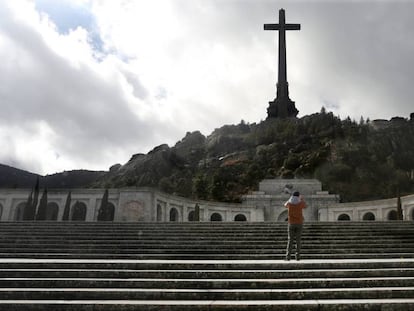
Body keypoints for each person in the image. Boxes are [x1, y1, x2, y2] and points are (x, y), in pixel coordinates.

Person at [285, 191, 306, 261]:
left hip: (291, 223)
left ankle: (288, 256)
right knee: (298, 240)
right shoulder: (300, 203)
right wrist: (301, 199)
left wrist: (290, 199)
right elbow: (305, 206)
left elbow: (285, 205)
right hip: (299, 223)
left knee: (290, 240)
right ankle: (298, 256)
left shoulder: (289, 203)